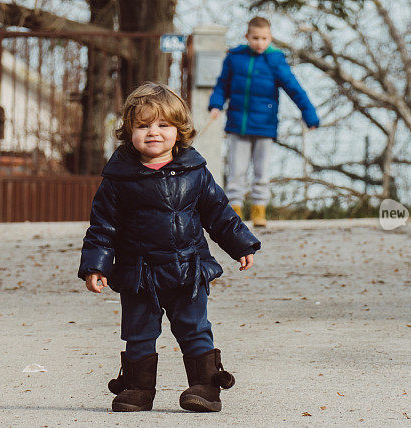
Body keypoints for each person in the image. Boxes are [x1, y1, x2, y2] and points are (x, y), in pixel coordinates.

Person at [78, 83, 261, 413]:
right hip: (139, 274)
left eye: (163, 125)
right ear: (128, 131)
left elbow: (218, 213)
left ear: (180, 131)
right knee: (139, 332)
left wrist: (241, 244)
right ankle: (137, 388)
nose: (153, 133)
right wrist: (96, 265)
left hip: (187, 269)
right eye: (143, 125)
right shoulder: (118, 177)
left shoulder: (195, 171)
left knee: (194, 328)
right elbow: (102, 226)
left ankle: (205, 388)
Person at [209, 16, 320, 227]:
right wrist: (216, 104)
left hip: (265, 126)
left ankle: (259, 210)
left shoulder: (275, 60)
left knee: (261, 171)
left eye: (264, 38)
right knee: (237, 171)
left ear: (270, 38)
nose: (260, 42)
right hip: (238, 124)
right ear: (247, 37)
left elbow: (294, 89)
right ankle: (234, 211)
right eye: (256, 38)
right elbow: (222, 84)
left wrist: (309, 115)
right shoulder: (235, 57)